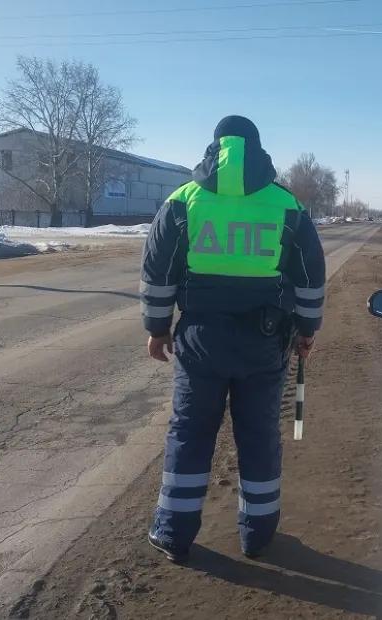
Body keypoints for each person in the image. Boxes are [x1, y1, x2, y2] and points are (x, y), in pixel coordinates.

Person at [140, 115, 325, 563]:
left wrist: (157, 328)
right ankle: (256, 535)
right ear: (259, 151)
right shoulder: (286, 205)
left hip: (200, 340)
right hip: (265, 341)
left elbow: (159, 272)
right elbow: (309, 276)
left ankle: (174, 533)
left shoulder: (184, 200)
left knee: (190, 431)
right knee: (259, 434)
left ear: (214, 147)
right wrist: (306, 330)